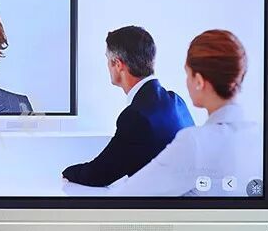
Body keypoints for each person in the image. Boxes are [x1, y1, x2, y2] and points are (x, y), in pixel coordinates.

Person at [106, 30, 263, 197]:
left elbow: (129, 194)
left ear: (199, 81)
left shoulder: (194, 143)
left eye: (187, 74)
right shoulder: (260, 136)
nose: (186, 82)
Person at [62, 25, 194, 187]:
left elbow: (97, 174)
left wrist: (66, 172)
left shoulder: (135, 117)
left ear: (118, 64)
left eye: (108, 60)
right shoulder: (176, 101)